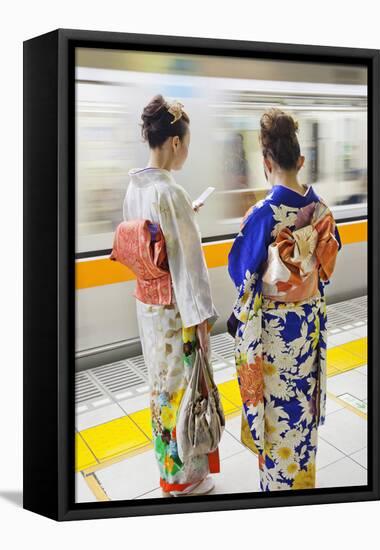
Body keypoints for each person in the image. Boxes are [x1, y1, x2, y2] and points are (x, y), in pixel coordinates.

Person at [227, 108, 342, 491]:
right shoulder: (323, 211)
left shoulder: (262, 214)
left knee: (277, 415)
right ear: (301, 160)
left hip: (275, 335)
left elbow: (241, 273)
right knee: (303, 406)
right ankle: (303, 482)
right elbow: (326, 267)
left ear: (266, 162)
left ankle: (278, 491)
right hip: (308, 325)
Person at [122, 95, 220, 497]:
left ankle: (166, 471)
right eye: (187, 144)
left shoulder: (135, 187)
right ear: (175, 142)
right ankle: (187, 479)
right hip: (177, 314)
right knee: (184, 391)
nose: (186, 153)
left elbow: (151, 247)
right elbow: (189, 268)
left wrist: (184, 219)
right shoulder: (171, 192)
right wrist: (201, 324)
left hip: (148, 309)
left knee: (160, 388)